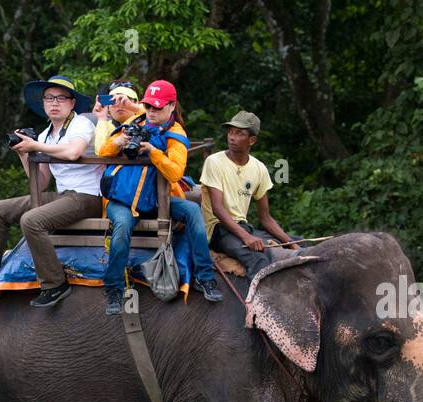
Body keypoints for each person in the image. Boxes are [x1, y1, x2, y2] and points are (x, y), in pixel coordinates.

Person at [0, 75, 102, 307]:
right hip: (63, 196)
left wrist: (35, 147)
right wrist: (25, 154)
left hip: (88, 197)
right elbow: (41, 182)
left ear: (72, 103)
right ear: (43, 104)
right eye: (49, 98)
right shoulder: (45, 135)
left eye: (61, 98)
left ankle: (55, 284)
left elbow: (73, 152)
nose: (54, 103)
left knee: (31, 220)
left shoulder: (81, 124)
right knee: (0, 209)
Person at [97, 79, 222, 315]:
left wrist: (154, 151)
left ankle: (205, 276)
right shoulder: (136, 121)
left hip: (156, 199)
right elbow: (103, 151)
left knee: (193, 211)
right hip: (123, 199)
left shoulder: (175, 133)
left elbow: (175, 171)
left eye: (158, 107)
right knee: (122, 224)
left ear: (171, 106)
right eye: (149, 106)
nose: (152, 112)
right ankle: (113, 287)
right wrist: (119, 141)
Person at [199, 111, 298, 278]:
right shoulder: (214, 162)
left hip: (242, 227)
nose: (232, 137)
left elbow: (265, 218)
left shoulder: (259, 169)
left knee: (296, 241)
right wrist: (247, 238)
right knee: (258, 260)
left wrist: (290, 242)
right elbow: (217, 208)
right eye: (230, 132)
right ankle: (254, 303)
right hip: (218, 229)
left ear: (252, 140)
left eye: (239, 133)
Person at [93, 81, 144, 153]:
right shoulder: (106, 125)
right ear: (108, 107)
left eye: (125, 100)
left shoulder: (146, 121)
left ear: (137, 103)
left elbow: (150, 110)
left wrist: (133, 107)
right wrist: (102, 118)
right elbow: (99, 152)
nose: (119, 104)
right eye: (113, 100)